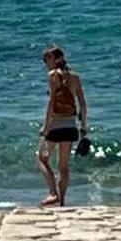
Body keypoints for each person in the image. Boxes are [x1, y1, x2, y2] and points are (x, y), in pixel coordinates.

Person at [36, 45, 88, 207]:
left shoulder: (52, 75)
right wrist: (83, 126)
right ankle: (62, 202)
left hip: (55, 125)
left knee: (42, 159)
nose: (46, 64)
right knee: (63, 166)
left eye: (46, 60)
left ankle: (53, 193)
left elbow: (51, 103)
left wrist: (45, 127)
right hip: (71, 126)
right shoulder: (76, 77)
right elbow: (83, 104)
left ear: (52, 59)